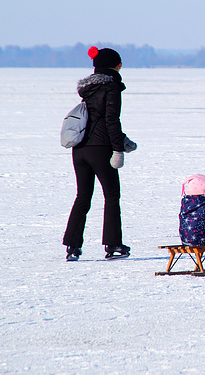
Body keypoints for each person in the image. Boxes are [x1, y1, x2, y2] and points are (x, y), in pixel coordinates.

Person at [63, 46, 137, 261]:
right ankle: (113, 244)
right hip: (101, 149)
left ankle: (72, 246)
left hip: (80, 150)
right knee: (112, 195)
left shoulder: (88, 90)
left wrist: (124, 141)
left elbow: (96, 119)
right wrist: (118, 149)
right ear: (116, 66)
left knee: (83, 197)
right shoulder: (111, 88)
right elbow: (110, 121)